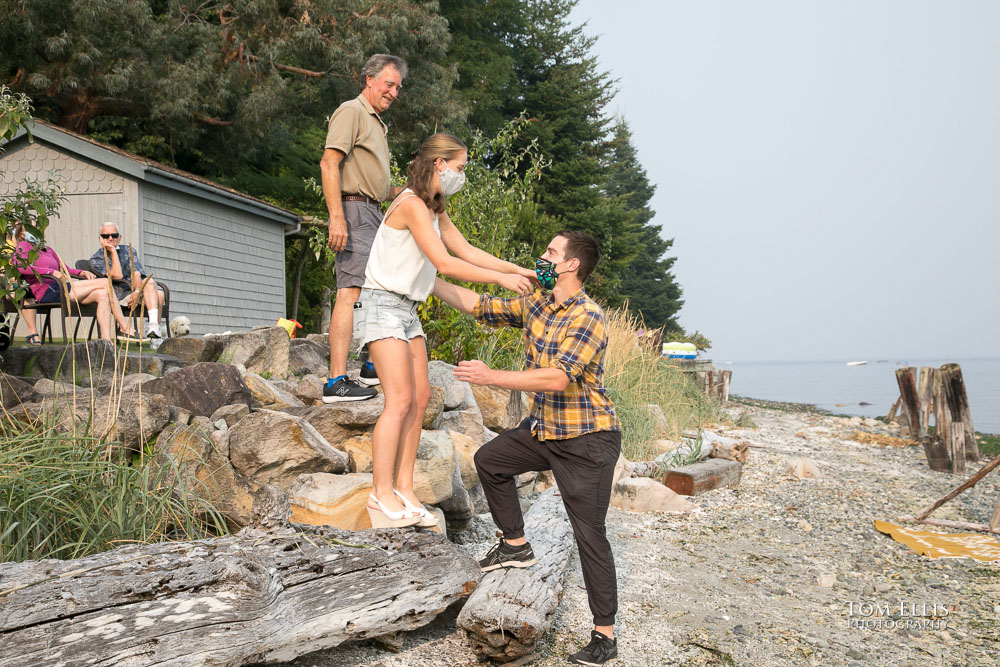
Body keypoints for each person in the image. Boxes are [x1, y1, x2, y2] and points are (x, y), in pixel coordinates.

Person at [432, 230, 622, 665]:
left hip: (587, 440)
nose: (542, 257)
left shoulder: (589, 315)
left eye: (551, 253)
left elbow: (557, 377)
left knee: (589, 534)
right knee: (491, 460)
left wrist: (489, 375)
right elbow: (477, 304)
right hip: (544, 431)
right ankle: (515, 544)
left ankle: (604, 636)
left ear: (571, 264)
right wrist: (422, 277)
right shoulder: (537, 303)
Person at [355, 133, 534, 530]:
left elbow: (466, 250)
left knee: (420, 400)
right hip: (382, 305)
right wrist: (501, 283)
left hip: (407, 310)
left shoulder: (435, 208)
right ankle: (379, 493)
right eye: (461, 167)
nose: (462, 175)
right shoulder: (411, 204)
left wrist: (516, 270)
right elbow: (446, 264)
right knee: (399, 401)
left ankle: (404, 487)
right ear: (439, 164)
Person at [321, 54, 407, 402]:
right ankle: (335, 381)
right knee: (351, 291)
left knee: (380, 289)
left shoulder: (376, 123)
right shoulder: (352, 111)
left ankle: (371, 367)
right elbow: (330, 163)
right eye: (389, 84)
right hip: (353, 211)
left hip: (372, 211)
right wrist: (336, 216)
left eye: (398, 87)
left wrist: (413, 190)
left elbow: (377, 187)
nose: (393, 93)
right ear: (369, 79)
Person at [13, 224, 136, 342]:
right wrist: (51, 272)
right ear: (22, 234)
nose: (35, 230)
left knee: (103, 294)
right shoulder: (22, 246)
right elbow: (20, 267)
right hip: (47, 291)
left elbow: (65, 268)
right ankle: (124, 327)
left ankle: (106, 341)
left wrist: (80, 273)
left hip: (60, 287)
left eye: (36, 227)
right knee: (104, 282)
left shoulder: (48, 250)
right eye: (30, 228)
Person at [89, 222, 165, 341]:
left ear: (119, 237)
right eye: (106, 236)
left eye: (114, 235)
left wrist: (136, 291)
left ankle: (154, 330)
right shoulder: (96, 259)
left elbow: (137, 273)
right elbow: (117, 275)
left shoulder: (128, 250)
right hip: (117, 297)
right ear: (100, 239)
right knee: (158, 295)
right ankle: (155, 338)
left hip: (134, 291)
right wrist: (113, 252)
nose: (110, 238)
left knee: (152, 286)